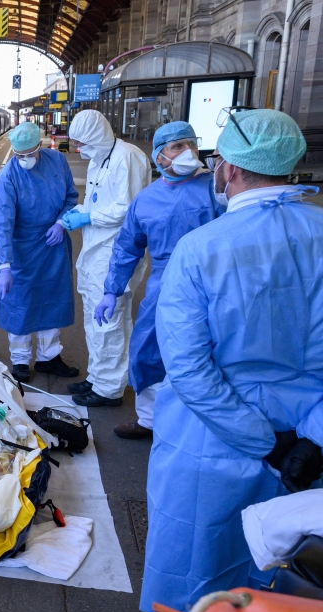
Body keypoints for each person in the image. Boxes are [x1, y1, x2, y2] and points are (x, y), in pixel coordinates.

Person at [141, 108, 323, 612]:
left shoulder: (199, 250)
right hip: (309, 455)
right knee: (287, 586)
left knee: (197, 579)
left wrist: (266, 440)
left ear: (230, 169)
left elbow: (191, 371)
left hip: (212, 447)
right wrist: (307, 438)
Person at [94, 122, 223, 439]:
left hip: (214, 284)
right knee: (148, 349)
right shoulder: (146, 200)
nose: (187, 152)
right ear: (159, 156)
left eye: (190, 144)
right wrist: (111, 290)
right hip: (164, 285)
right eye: (177, 146)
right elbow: (127, 248)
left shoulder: (217, 191)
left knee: (211, 350)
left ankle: (205, 421)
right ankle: (149, 420)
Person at [63, 109, 151, 407]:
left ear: (97, 137)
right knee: (93, 318)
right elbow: (93, 199)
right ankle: (97, 376)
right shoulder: (98, 160)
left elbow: (129, 209)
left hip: (116, 253)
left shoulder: (129, 157)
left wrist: (89, 216)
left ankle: (109, 389)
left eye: (82, 143)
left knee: (110, 322)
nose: (79, 150)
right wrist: (79, 213)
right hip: (95, 251)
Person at [0, 121, 80, 382]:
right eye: (20, 155)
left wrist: (62, 222)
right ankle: (19, 360)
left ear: (39, 146)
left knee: (51, 298)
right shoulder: (7, 178)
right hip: (20, 247)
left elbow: (71, 198)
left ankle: (49, 357)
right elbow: (3, 224)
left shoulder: (57, 161)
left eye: (29, 154)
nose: (25, 160)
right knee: (20, 302)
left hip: (53, 243)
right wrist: (5, 267)